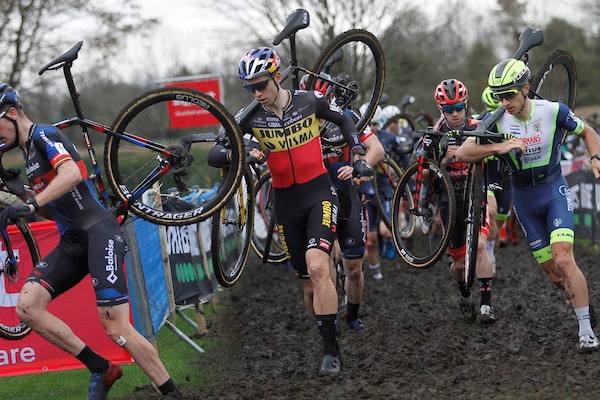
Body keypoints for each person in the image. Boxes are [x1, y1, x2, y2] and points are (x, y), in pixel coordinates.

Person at [0, 84, 180, 399]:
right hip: (72, 242)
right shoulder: (28, 153)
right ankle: (101, 368)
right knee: (28, 307)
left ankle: (173, 393)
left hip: (99, 232)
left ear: (12, 114)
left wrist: (31, 202)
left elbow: (71, 175)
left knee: (116, 327)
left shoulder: (44, 136)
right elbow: (53, 201)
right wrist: (22, 195)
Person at [237, 47, 369, 374]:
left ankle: (330, 350)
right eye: (249, 88)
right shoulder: (251, 114)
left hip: (319, 193)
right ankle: (326, 330)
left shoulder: (307, 101)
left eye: (260, 85)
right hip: (286, 203)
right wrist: (244, 152)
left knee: (318, 266)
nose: (256, 93)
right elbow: (217, 151)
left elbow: (344, 119)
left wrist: (356, 151)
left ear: (277, 77)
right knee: (307, 283)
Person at [456, 59, 600, 352]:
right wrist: (499, 146)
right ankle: (580, 299)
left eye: (510, 95)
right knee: (553, 272)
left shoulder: (552, 110)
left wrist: (595, 158)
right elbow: (464, 151)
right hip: (524, 199)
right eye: (499, 97)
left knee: (563, 259)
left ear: (526, 88)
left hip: (553, 190)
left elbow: (588, 132)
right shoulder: (496, 118)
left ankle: (586, 330)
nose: (505, 102)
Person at [317, 75, 385, 333]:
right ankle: (329, 318)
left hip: (348, 194)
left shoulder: (347, 117)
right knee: (326, 260)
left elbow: (376, 148)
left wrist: (358, 166)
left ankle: (352, 315)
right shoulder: (302, 121)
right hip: (319, 197)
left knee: (354, 267)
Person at [432, 79, 497, 324]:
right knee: (459, 265)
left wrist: (491, 191)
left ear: (465, 104)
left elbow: (495, 155)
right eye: (448, 109)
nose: (455, 113)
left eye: (458, 107)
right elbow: (422, 174)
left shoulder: (479, 127)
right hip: (449, 200)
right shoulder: (435, 133)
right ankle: (463, 291)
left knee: (479, 247)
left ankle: (487, 306)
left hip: (474, 195)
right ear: (441, 110)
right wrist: (444, 161)